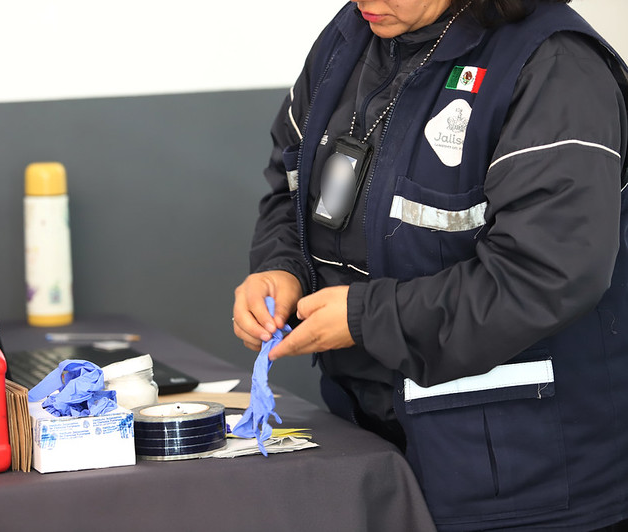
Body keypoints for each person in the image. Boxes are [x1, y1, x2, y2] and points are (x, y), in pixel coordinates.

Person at [232, 0, 628, 530]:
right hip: (375, 449)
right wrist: (283, 268)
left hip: (526, 483)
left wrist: (364, 318)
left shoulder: (554, 66)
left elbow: (546, 276)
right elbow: (291, 184)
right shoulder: (348, 40)